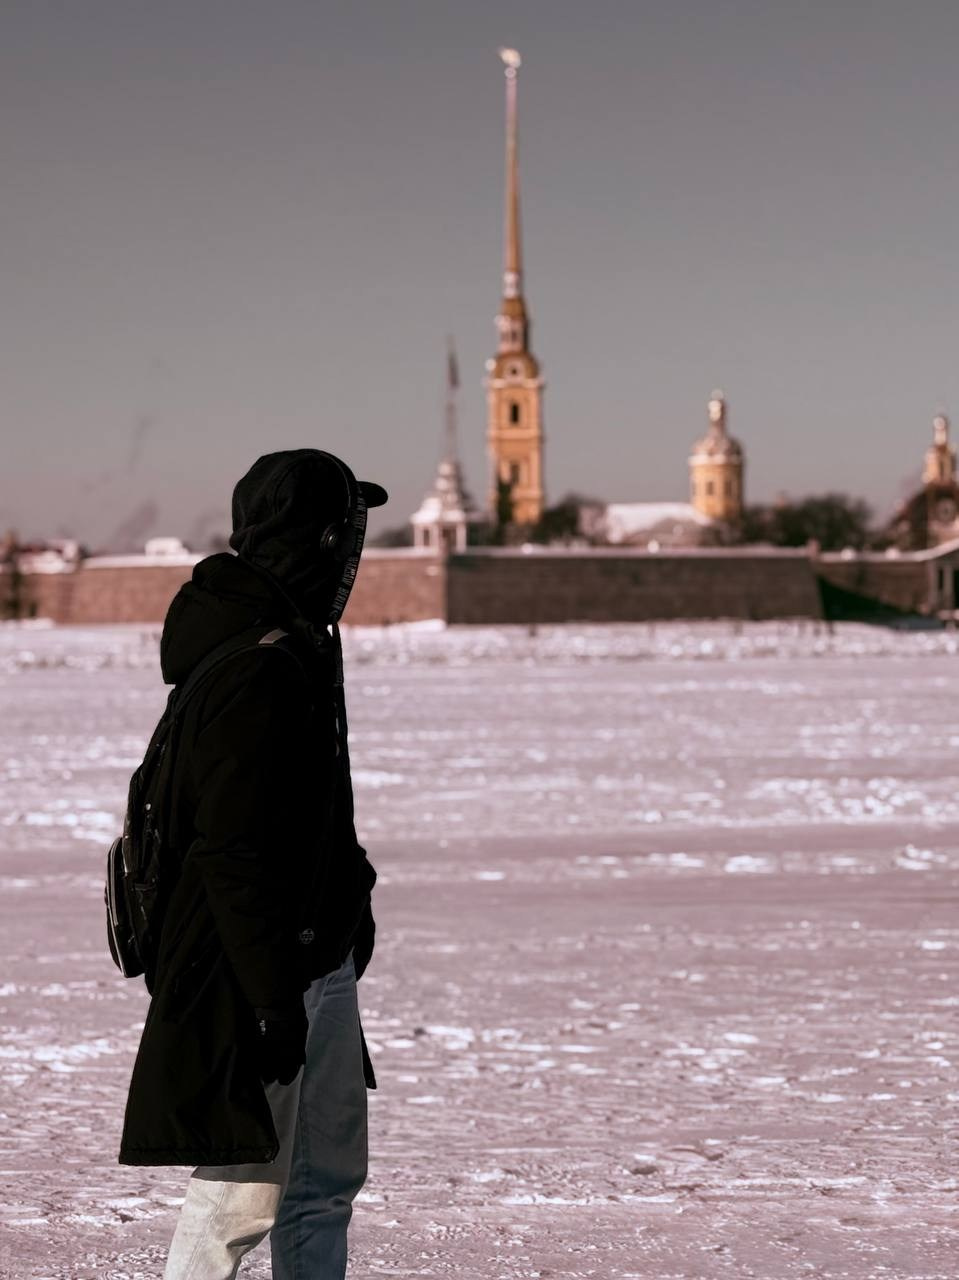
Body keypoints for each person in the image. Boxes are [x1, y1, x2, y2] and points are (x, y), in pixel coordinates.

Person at [117, 449, 388, 1280]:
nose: (355, 555)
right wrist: (270, 1002)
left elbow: (305, 815)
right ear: (321, 539)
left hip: (315, 958)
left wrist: (351, 900)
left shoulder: (298, 641)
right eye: (348, 532)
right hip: (259, 969)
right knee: (240, 1199)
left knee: (322, 1184)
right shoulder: (259, 662)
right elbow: (231, 849)